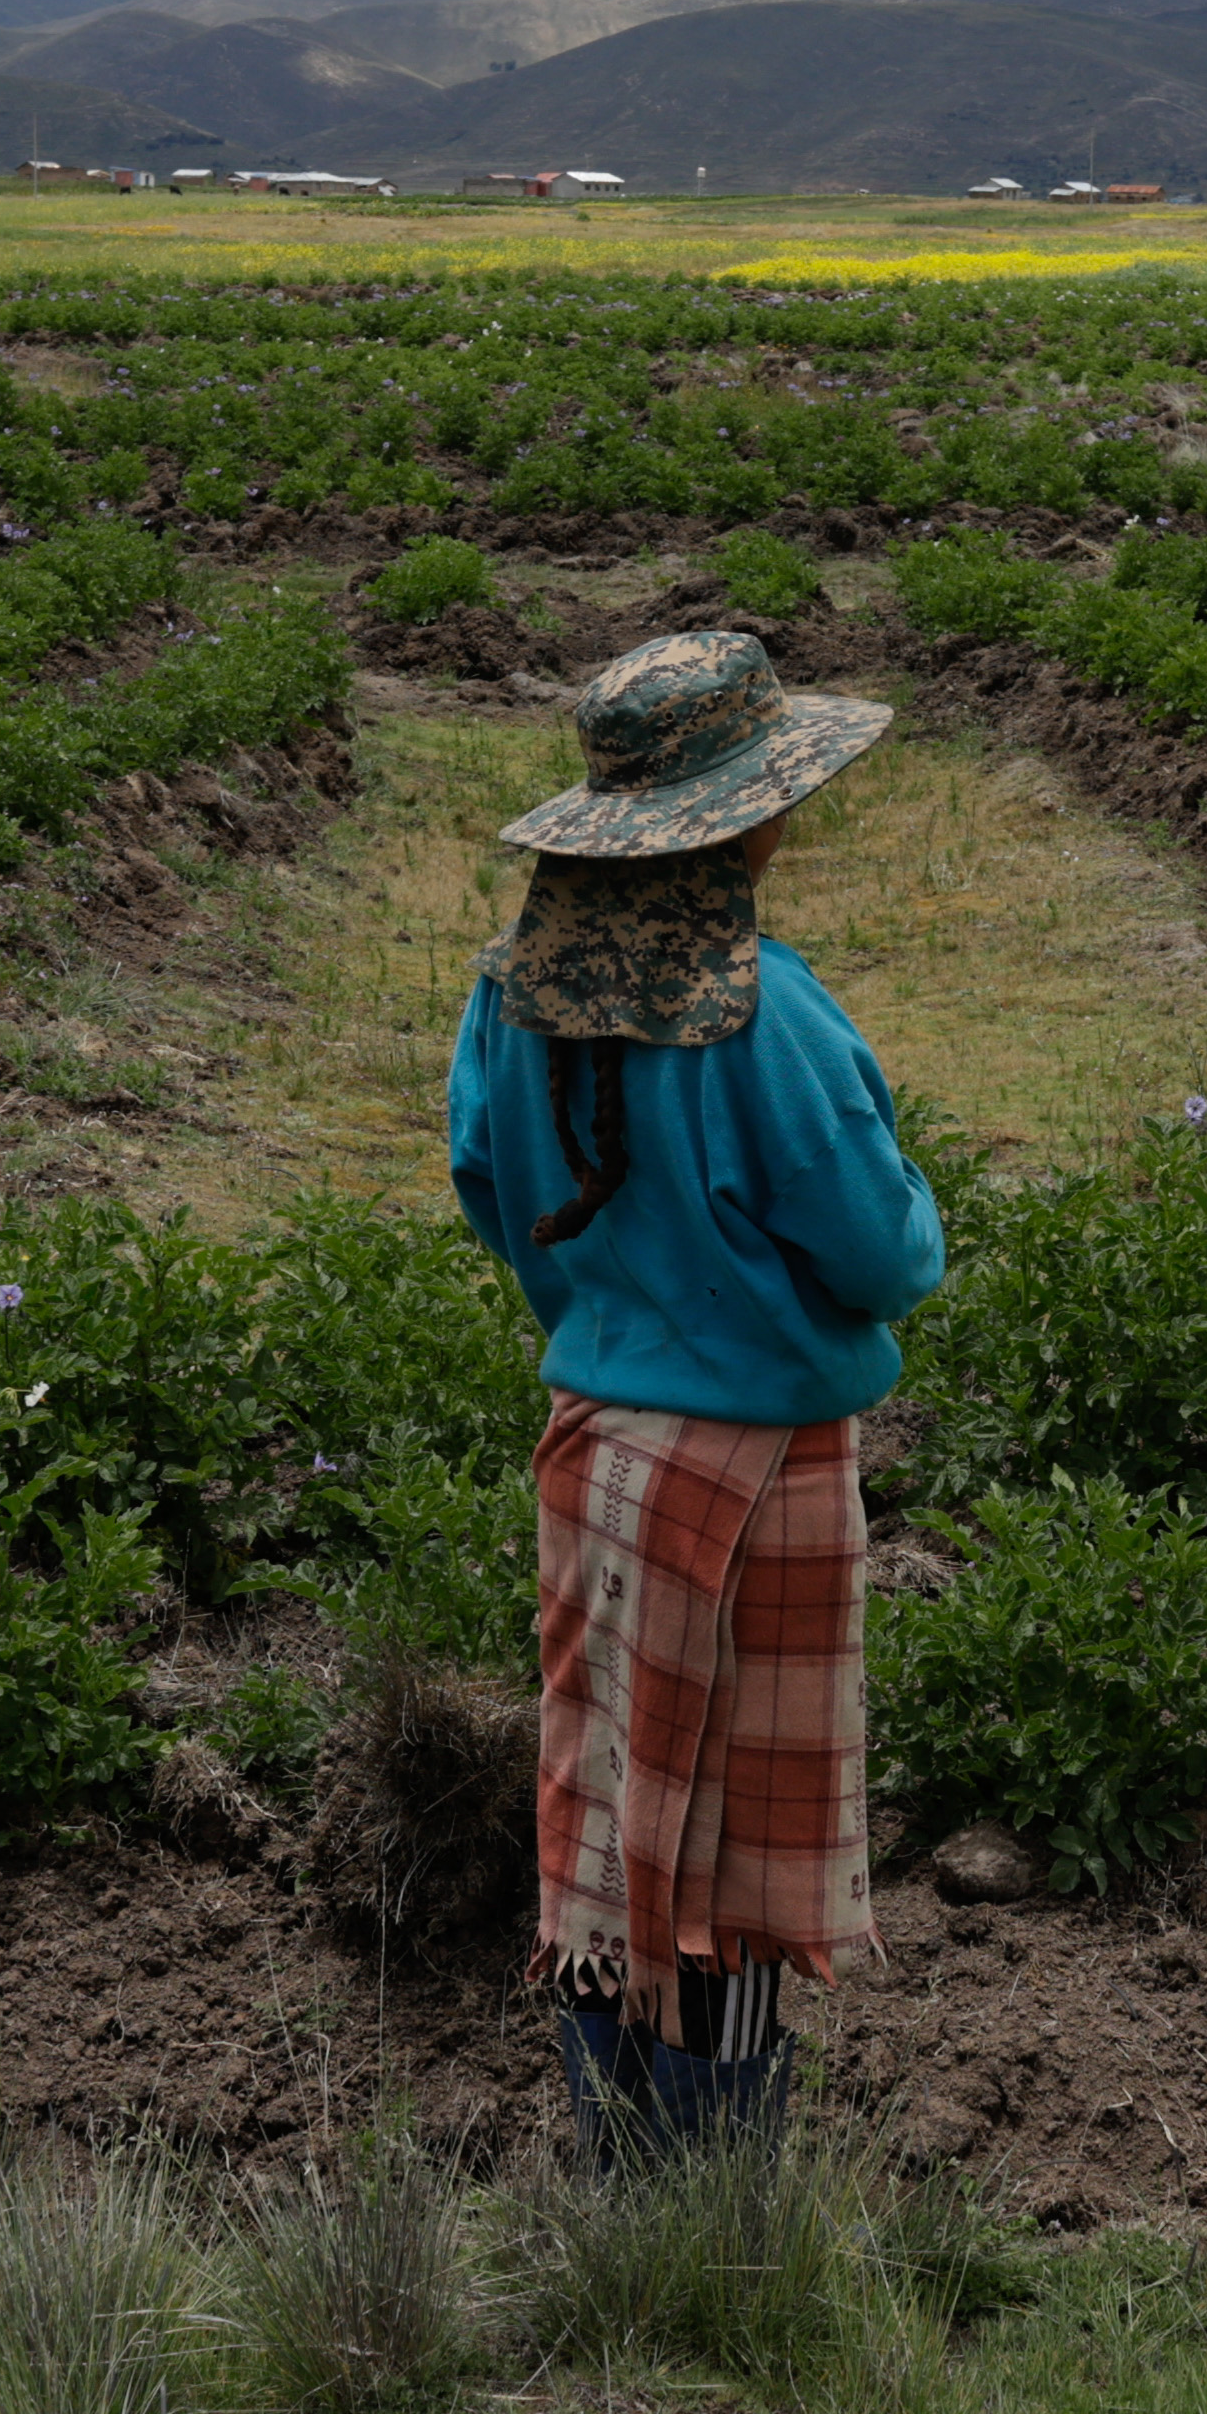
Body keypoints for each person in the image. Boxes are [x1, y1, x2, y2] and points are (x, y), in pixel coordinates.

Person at [446, 630, 946, 2162]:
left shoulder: (506, 998)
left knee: (607, 1819)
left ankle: (615, 2179)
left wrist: (614, 1320)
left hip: (593, 1449)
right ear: (747, 818)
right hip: (758, 1474)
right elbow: (882, 1255)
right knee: (728, 1868)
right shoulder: (768, 1017)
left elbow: (493, 1190)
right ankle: (716, 2211)